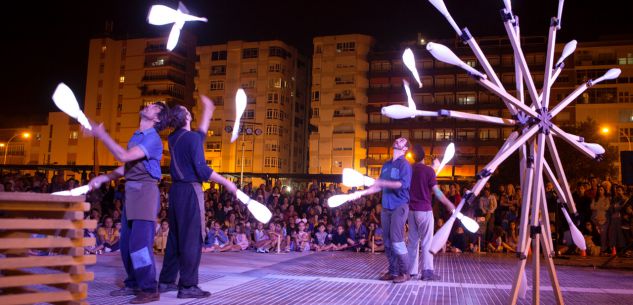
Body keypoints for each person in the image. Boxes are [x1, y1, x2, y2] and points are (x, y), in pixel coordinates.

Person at [87, 101, 169, 304]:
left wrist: (102, 134)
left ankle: (149, 288)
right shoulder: (137, 135)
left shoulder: (153, 139)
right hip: (131, 192)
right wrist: (105, 178)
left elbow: (123, 156)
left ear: (157, 118)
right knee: (126, 246)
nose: (149, 105)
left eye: (154, 106)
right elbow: (128, 165)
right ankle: (133, 283)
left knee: (140, 245)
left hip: (145, 193)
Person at [157, 96, 237, 299]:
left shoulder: (174, 138)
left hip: (175, 192)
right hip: (190, 191)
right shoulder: (190, 138)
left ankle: (166, 281)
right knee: (192, 239)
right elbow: (202, 170)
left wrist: (209, 111)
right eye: (186, 109)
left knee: (175, 238)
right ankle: (188, 286)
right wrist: (227, 182)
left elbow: (198, 136)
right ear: (186, 117)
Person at [350, 137, 412, 283]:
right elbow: (378, 185)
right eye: (397, 139)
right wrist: (361, 193)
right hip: (386, 206)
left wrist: (384, 182)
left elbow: (401, 184)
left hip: (399, 205)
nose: (398, 140)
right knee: (388, 241)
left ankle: (405, 272)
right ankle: (393, 271)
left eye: (402, 141)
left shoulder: (405, 165)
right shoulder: (386, 165)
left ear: (405, 148)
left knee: (397, 240)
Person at [406, 144, 456, 281]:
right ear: (425, 156)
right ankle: (427, 272)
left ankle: (411, 271)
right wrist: (448, 203)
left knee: (413, 242)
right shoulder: (429, 171)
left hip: (411, 211)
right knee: (427, 242)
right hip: (425, 210)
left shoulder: (409, 170)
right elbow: (437, 192)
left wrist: (433, 168)